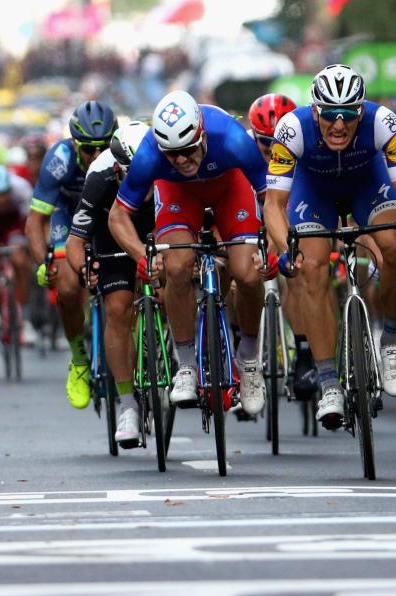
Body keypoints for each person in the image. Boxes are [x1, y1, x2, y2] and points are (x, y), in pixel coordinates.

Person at [262, 64, 396, 430]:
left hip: (366, 184)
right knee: (310, 268)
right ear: (316, 110)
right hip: (313, 190)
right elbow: (273, 204)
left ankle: (393, 341)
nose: (339, 124)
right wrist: (285, 247)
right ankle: (329, 384)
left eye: (349, 114)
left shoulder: (384, 122)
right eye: (330, 114)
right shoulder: (291, 128)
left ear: (361, 111)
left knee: (395, 251)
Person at [108, 90, 268, 416]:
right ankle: (186, 366)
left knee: (248, 274)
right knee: (177, 265)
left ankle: (248, 359)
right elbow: (117, 215)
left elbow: (273, 198)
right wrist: (143, 256)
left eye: (188, 150)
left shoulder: (233, 138)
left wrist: (273, 248)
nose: (181, 160)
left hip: (230, 190)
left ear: (203, 135)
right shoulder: (151, 154)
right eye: (172, 153)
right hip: (180, 195)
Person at [66, 121, 154, 447]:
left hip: (157, 224)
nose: (139, 185)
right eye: (130, 176)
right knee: (117, 308)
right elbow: (77, 242)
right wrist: (83, 270)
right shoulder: (99, 177)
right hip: (111, 231)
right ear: (117, 167)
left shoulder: (165, 165)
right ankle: (128, 405)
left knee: (172, 280)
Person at [26, 100, 117, 409]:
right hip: (68, 218)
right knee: (65, 284)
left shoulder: (122, 157)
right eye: (88, 149)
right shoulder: (60, 159)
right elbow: (36, 220)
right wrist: (43, 263)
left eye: (103, 147)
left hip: (107, 216)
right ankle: (79, 359)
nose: (96, 156)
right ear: (74, 143)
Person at [247, 92, 319, 396]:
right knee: (241, 278)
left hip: (286, 212)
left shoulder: (298, 145)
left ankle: (303, 353)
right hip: (249, 211)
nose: (273, 149)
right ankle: (241, 343)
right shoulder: (243, 151)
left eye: (278, 141)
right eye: (266, 143)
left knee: (295, 273)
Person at [0, 165, 33, 308]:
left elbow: (31, 222)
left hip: (14, 223)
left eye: (4, 193)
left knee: (20, 260)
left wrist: (28, 244)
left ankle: (23, 307)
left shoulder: (22, 188)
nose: (1, 200)